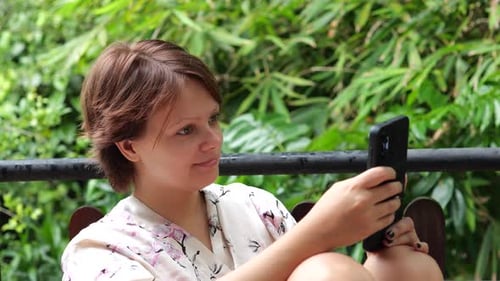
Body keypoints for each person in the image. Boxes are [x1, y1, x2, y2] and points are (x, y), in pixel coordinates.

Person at [61, 39, 443, 281]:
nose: (212, 140)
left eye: (212, 119)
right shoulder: (99, 251)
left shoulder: (253, 205)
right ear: (129, 147)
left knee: (406, 267)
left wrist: (380, 249)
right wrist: (319, 233)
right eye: (185, 131)